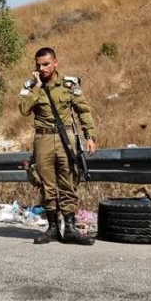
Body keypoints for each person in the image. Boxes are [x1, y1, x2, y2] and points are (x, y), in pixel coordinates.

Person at [19, 47, 97, 246]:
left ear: (55, 63)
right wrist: (37, 87)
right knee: (47, 184)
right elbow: (24, 109)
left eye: (46, 64)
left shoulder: (69, 85)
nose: (41, 68)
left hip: (66, 139)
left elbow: (83, 111)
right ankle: (53, 228)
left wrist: (90, 136)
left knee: (68, 182)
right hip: (43, 139)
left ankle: (69, 228)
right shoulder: (30, 86)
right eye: (38, 65)